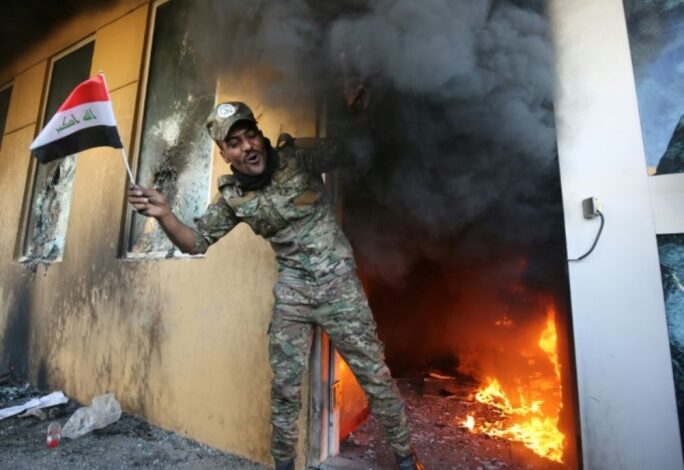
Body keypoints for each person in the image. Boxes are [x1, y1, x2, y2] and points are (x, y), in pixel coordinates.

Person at [127, 98, 424, 470]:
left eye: (250, 134)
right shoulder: (233, 198)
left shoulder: (299, 157)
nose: (247, 146)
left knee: (375, 376)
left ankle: (406, 458)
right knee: (285, 389)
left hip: (338, 285)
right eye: (234, 143)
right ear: (224, 153)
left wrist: (353, 108)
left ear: (259, 133)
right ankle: (284, 465)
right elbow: (196, 242)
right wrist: (165, 214)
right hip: (294, 292)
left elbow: (352, 149)